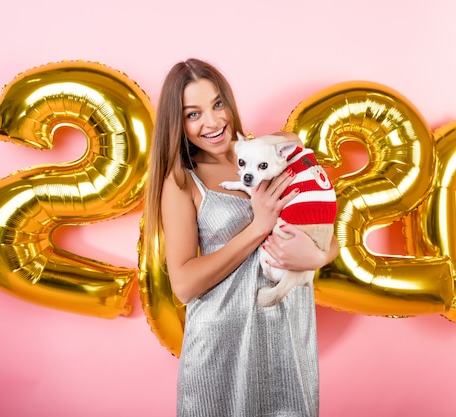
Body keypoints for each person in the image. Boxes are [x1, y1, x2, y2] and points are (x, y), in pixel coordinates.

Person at [143, 58, 339, 417]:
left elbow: (322, 220)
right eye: (193, 114)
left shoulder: (274, 153)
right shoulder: (182, 181)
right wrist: (258, 227)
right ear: (178, 122)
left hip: (287, 340)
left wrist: (318, 257)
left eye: (218, 104)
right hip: (222, 348)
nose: (213, 122)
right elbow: (184, 285)